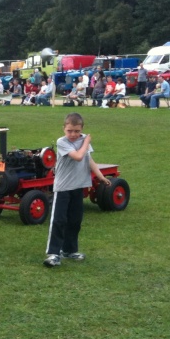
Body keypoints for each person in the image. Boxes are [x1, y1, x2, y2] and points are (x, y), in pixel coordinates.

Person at [44, 113, 111, 268]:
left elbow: (88, 159)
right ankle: (53, 254)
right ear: (64, 129)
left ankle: (69, 250)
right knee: (59, 220)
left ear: (81, 129)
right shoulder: (62, 142)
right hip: (63, 188)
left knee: (75, 220)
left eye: (76, 131)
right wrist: (86, 140)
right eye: (69, 131)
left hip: (78, 186)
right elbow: (79, 156)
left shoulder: (82, 141)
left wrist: (100, 177)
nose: (73, 134)